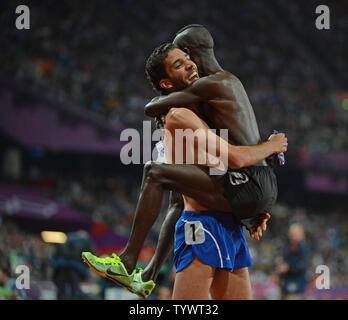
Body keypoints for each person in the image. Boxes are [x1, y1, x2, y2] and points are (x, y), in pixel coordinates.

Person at [82, 25, 287, 299]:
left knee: (157, 176)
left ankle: (133, 266)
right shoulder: (182, 114)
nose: (189, 64)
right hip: (208, 223)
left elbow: (212, 173)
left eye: (186, 57)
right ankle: (140, 271)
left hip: (217, 222)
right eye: (179, 63)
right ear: (167, 83)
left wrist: (248, 206)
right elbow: (187, 190)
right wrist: (251, 202)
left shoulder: (199, 110)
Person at [277, 223, 310, 300]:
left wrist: (288, 268)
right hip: (285, 286)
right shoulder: (287, 247)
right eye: (291, 233)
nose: (292, 236)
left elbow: (302, 265)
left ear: (301, 235)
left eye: (295, 234)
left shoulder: (304, 249)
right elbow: (283, 262)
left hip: (296, 286)